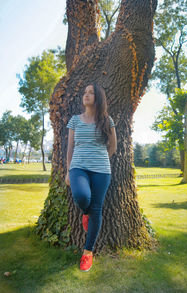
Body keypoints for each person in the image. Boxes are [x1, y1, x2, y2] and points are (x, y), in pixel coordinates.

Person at [65, 82, 117, 272]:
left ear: (98, 98)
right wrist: (68, 170)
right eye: (85, 93)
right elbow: (70, 148)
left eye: (91, 93)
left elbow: (113, 146)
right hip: (78, 168)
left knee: (97, 208)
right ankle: (85, 212)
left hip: (102, 170)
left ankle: (88, 253)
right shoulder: (75, 120)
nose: (86, 95)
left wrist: (100, 159)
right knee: (82, 197)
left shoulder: (107, 120)